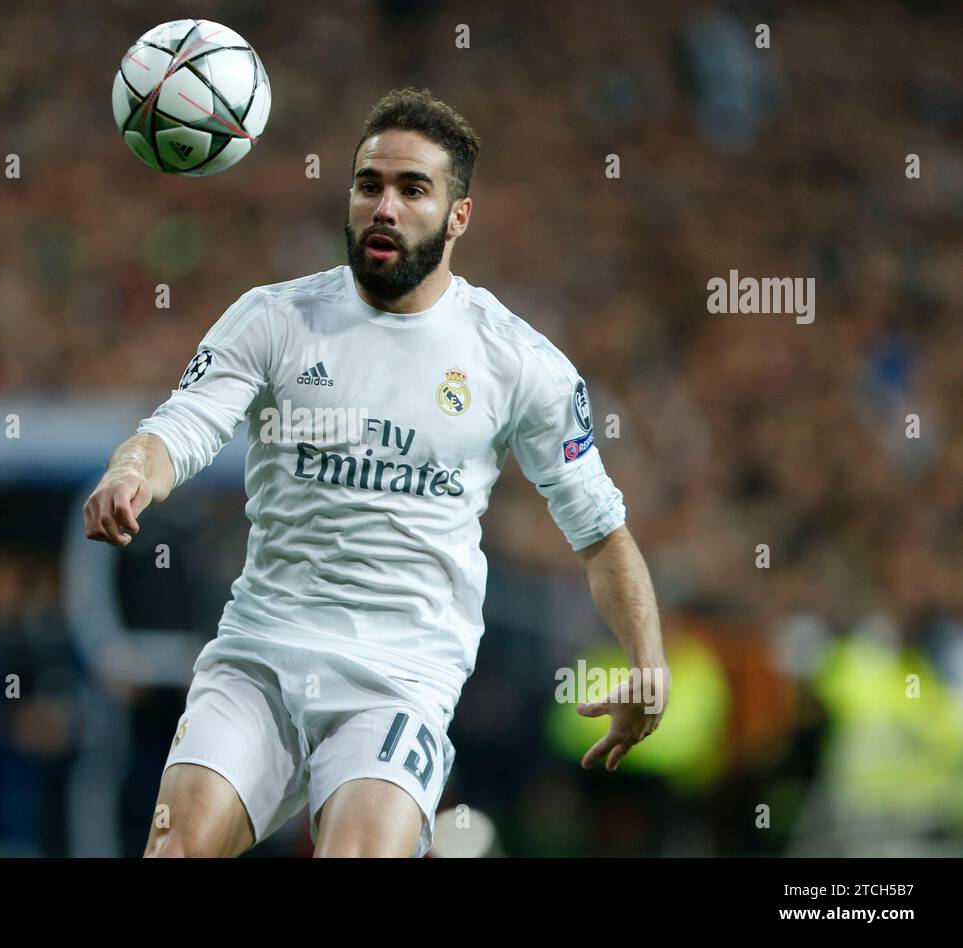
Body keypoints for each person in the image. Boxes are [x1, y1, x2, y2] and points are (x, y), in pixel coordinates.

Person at [85, 87, 669, 857]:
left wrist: (648, 663)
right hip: (261, 652)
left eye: (412, 189)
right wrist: (131, 472)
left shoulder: (518, 364)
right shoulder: (275, 319)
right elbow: (176, 430)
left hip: (398, 677)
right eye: (369, 185)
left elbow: (601, 536)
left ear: (458, 216)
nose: (385, 206)